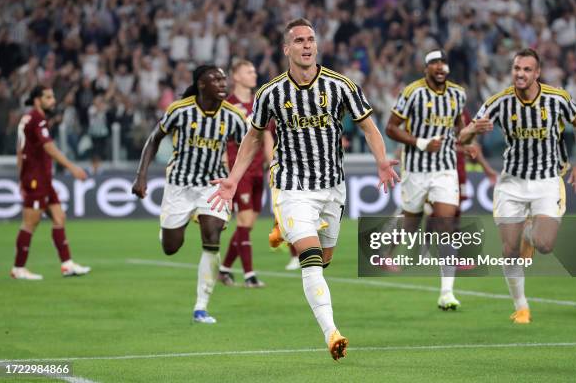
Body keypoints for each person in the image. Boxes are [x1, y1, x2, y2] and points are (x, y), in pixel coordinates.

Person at [208, 18, 400, 360]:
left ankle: (284, 229)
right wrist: (233, 180)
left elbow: (369, 127)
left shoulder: (341, 86)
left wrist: (382, 162)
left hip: (332, 187)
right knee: (310, 260)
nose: (307, 45)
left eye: (311, 39)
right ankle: (332, 334)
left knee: (324, 259)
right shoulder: (271, 93)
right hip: (292, 186)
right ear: (287, 49)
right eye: (299, 40)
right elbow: (253, 139)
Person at [460, 48, 576, 324]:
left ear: (537, 73)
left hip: (547, 180)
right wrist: (473, 131)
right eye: (517, 68)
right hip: (512, 183)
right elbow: (463, 135)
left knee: (544, 244)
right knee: (509, 250)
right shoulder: (499, 102)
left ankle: (530, 234)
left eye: (527, 69)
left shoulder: (557, 99)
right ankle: (521, 306)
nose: (520, 73)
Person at [132, 65, 247, 324]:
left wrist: (235, 180)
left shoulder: (233, 116)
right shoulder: (179, 110)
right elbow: (154, 139)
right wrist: (141, 175)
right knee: (171, 247)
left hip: (213, 184)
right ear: (201, 84)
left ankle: (201, 306)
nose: (222, 83)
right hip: (180, 186)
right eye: (215, 79)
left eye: (223, 79)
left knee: (212, 234)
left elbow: (245, 148)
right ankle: (169, 228)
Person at [385, 50, 467, 310]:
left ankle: (446, 293)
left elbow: (458, 127)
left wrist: (468, 141)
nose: (440, 67)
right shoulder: (412, 93)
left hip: (445, 168)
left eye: (443, 63)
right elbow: (391, 128)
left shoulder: (458, 94)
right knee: (410, 222)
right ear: (426, 68)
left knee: (446, 222)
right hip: (416, 169)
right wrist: (420, 142)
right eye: (434, 63)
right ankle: (386, 249)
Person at [12, 85, 90, 280]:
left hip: (41, 179)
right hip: (36, 179)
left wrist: (20, 174)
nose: (53, 101)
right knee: (30, 223)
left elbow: (21, 150)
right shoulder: (37, 120)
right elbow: (49, 147)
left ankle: (67, 264)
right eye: (48, 97)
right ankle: (18, 268)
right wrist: (72, 168)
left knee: (59, 217)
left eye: (53, 97)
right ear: (38, 100)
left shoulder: (30, 118)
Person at [218, 59, 272, 288]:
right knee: (244, 220)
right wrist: (225, 170)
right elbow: (219, 140)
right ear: (236, 77)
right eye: (248, 71)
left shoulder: (260, 103)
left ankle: (224, 269)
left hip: (259, 169)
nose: (254, 73)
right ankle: (250, 275)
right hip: (238, 172)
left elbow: (267, 135)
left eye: (254, 69)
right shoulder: (227, 106)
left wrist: (272, 164)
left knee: (247, 224)